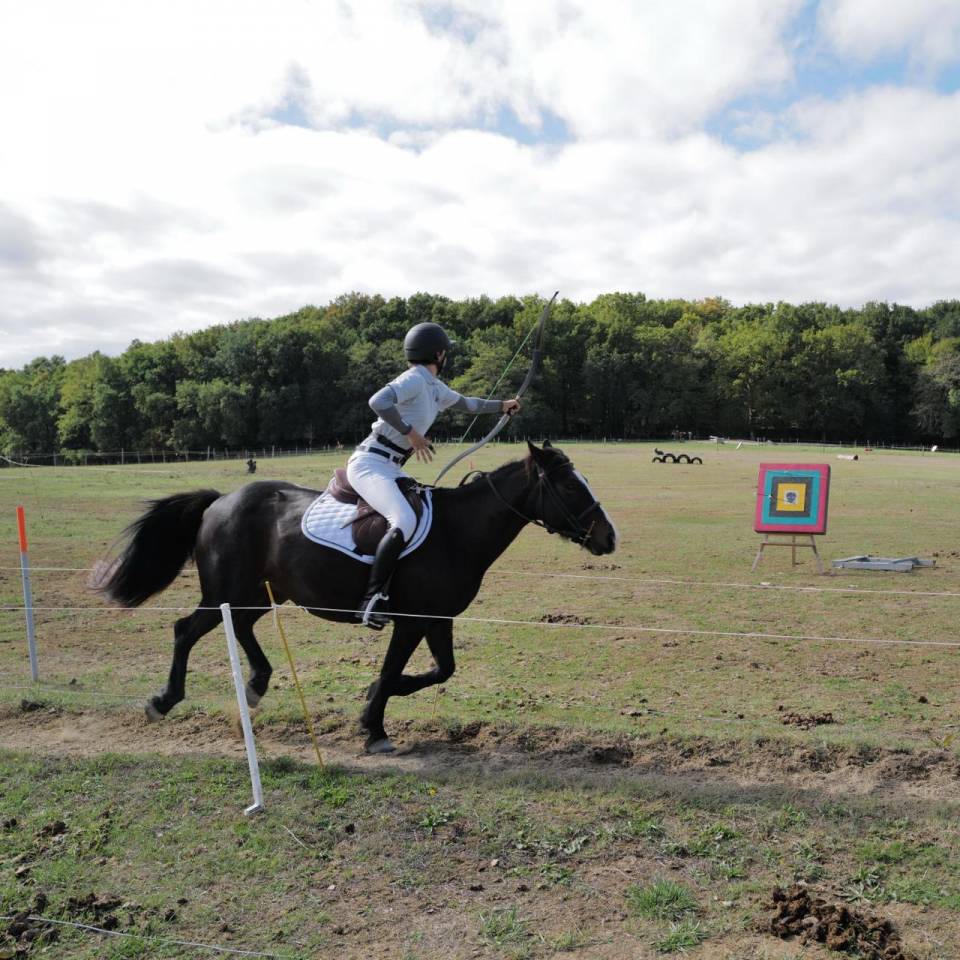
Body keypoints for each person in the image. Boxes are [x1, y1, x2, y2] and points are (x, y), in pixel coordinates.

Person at [348, 321, 521, 629]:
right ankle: (372, 599)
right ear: (438, 353)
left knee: (424, 514)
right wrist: (410, 433)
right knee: (403, 520)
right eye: (446, 352)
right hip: (369, 464)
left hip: (390, 466)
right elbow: (378, 401)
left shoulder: (432, 386)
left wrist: (502, 406)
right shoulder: (414, 379)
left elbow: (468, 404)